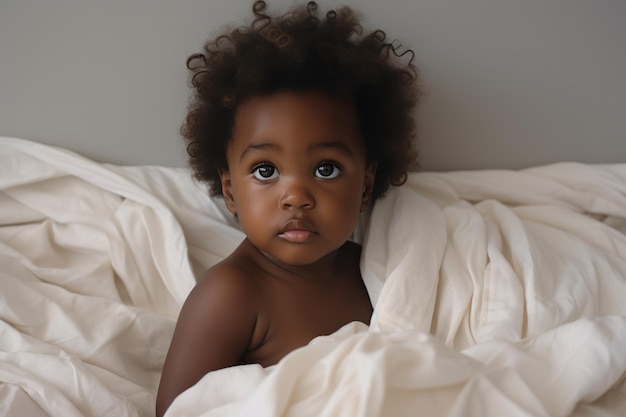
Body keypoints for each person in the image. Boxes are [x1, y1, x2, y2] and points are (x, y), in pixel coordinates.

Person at [156, 1, 419, 415]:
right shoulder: (231, 295)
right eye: (265, 170)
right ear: (229, 190)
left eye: (326, 168)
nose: (296, 195)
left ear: (365, 186)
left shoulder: (380, 271)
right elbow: (179, 410)